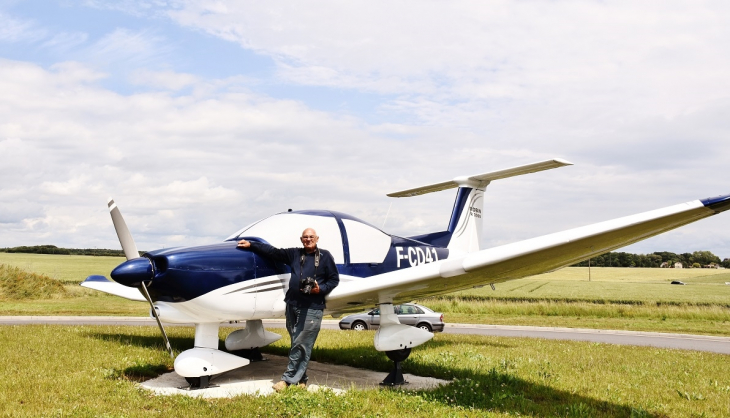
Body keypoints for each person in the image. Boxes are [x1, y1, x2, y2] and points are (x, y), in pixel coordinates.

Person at [237, 228, 339, 392]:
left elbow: (334, 279)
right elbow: (273, 252)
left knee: (301, 343)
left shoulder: (325, 256)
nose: (308, 239)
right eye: (305, 237)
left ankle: (287, 380)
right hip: (292, 304)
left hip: (312, 307)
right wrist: (252, 245)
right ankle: (301, 379)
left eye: (311, 237)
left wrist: (320, 289)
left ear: (317, 238)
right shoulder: (294, 254)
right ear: (301, 239)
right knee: (297, 343)